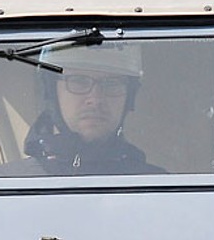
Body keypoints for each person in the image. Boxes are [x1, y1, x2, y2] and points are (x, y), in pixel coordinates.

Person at [15, 45, 159, 175]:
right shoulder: (2, 189)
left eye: (112, 84)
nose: (95, 99)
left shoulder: (159, 190)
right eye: (79, 81)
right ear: (51, 90)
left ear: (129, 97)